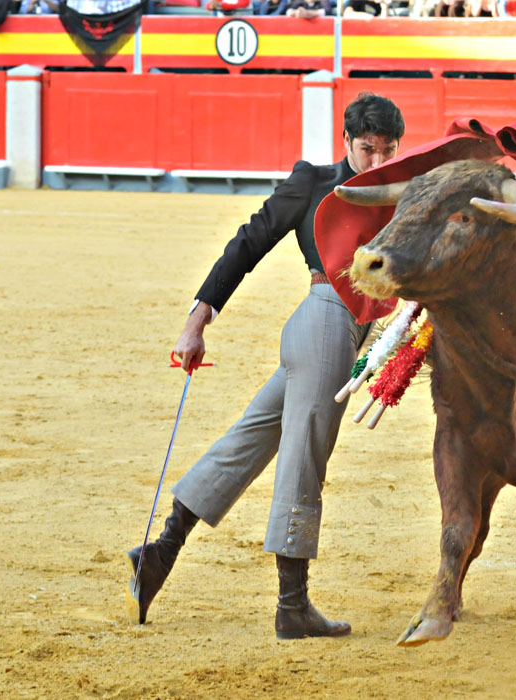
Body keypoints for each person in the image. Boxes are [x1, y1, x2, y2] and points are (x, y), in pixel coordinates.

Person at [124, 92, 405, 639]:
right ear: (345, 141)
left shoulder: (404, 189)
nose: (377, 162)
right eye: (367, 149)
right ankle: (292, 605)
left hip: (346, 335)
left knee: (248, 439)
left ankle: (159, 552)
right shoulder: (314, 181)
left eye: (388, 149)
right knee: (305, 456)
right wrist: (197, 319)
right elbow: (249, 242)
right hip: (325, 319)